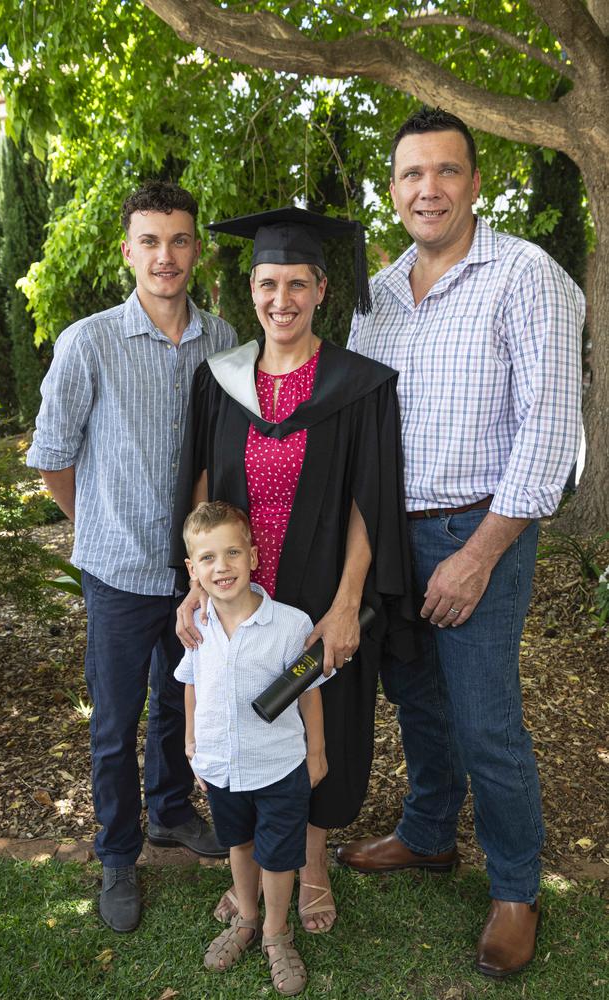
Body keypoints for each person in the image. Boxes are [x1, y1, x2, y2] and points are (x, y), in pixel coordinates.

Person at [338, 107, 585, 978]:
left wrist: (478, 554)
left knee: (486, 719)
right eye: (411, 174)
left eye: (446, 171)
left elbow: (551, 431)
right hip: (392, 539)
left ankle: (517, 887)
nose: (428, 188)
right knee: (419, 701)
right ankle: (428, 833)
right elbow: (359, 423)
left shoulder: (525, 275)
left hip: (480, 526)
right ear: (393, 188)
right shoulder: (377, 294)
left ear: (477, 182)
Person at [171, 206, 415, 934]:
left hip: (314, 598)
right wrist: (196, 586)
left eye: (297, 284)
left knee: (323, 723)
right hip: (237, 595)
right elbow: (202, 486)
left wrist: (346, 603)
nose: (282, 300)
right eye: (268, 284)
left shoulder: (358, 386)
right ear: (250, 291)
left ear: (321, 290)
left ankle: (308, 863)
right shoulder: (220, 381)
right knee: (242, 716)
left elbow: (370, 501)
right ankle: (254, 861)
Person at [26, 180, 237, 933]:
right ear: (128, 252)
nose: (165, 256)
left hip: (193, 577)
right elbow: (52, 455)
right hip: (118, 574)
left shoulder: (221, 341)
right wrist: (94, 529)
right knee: (117, 722)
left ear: (196, 249)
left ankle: (170, 814)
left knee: (184, 701)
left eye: (179, 240)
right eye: (150, 241)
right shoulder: (89, 341)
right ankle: (118, 854)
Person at [177, 500, 330, 996]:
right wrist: (191, 742)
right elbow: (192, 684)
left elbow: (309, 692)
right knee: (238, 844)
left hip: (279, 767)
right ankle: (245, 919)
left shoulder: (288, 623)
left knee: (279, 855)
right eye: (207, 558)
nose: (221, 567)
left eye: (232, 553)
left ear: (253, 557)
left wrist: (317, 754)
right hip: (221, 766)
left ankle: (275, 933)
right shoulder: (195, 624)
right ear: (193, 569)